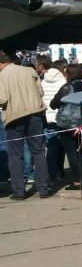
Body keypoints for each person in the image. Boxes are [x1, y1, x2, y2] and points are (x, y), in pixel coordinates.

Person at [0, 51, 52, 199]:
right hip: (35, 113)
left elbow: (2, 99)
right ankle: (43, 188)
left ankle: (19, 191)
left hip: (14, 116)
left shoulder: (2, 76)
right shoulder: (30, 71)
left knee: (15, 155)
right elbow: (40, 92)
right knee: (39, 152)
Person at [50, 64, 82, 190]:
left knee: (71, 153)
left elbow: (54, 104)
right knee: (80, 151)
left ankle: (77, 181)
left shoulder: (66, 87)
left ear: (68, 74)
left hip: (67, 124)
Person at [36, 55, 67, 182]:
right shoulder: (63, 83)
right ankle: (59, 171)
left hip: (47, 118)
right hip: (60, 117)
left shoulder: (42, 81)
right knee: (62, 147)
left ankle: (51, 174)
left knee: (50, 148)